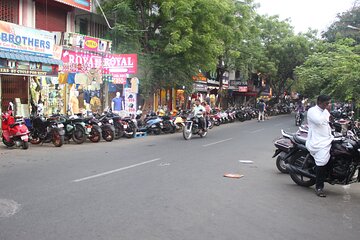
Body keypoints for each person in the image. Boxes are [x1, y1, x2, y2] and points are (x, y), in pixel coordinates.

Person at [306, 95, 334, 197]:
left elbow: (329, 121)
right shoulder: (312, 111)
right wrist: (327, 111)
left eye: (329, 103)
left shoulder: (325, 111)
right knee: (321, 162)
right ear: (320, 102)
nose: (328, 105)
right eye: (327, 103)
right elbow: (319, 121)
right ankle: (319, 187)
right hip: (318, 141)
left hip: (327, 138)